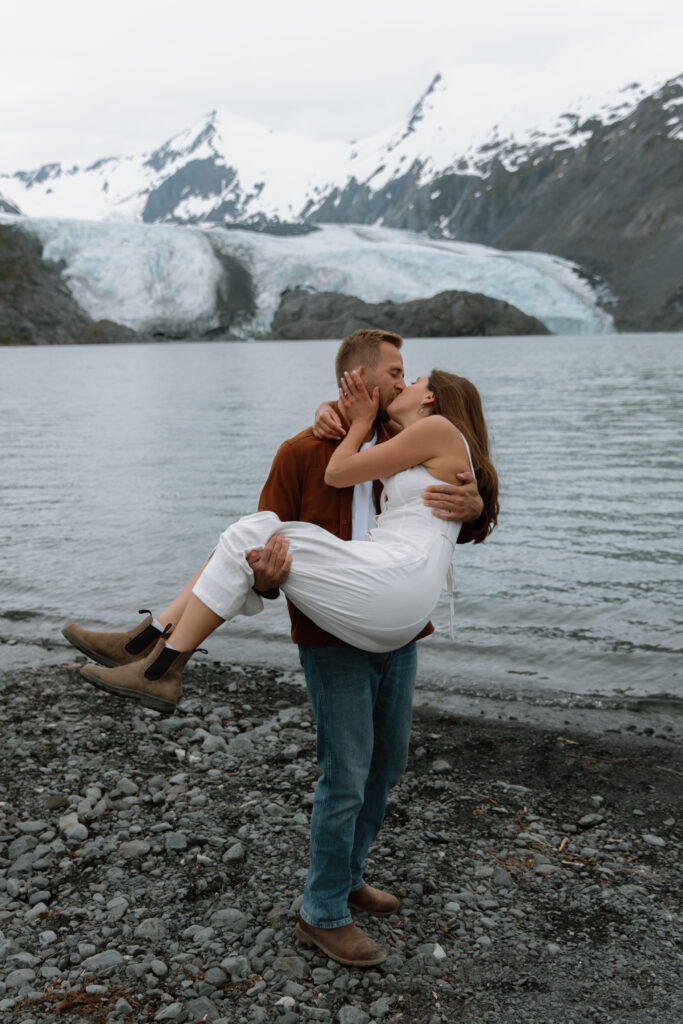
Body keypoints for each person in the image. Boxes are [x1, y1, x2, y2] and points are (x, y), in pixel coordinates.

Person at [62, 329, 495, 966]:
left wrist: (479, 498)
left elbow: (463, 510)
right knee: (343, 774)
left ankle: (151, 641)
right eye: (397, 373)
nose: (406, 384)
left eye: (413, 378)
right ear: (359, 382)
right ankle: (322, 912)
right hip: (335, 637)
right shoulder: (302, 450)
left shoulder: (398, 446)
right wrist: (267, 575)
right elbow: (258, 566)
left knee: (387, 768)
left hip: (397, 630)